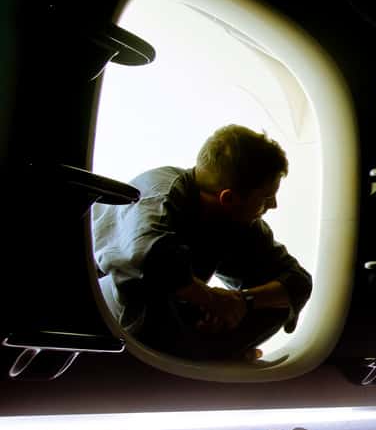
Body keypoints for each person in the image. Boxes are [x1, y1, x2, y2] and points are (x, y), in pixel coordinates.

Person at [92, 124, 312, 361]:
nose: (274, 205)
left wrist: (241, 301)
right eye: (266, 197)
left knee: (275, 304)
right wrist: (212, 301)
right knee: (149, 284)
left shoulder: (241, 221)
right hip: (103, 307)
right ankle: (218, 351)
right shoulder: (158, 192)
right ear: (228, 198)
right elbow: (152, 256)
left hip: (180, 322)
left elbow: (297, 281)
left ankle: (209, 349)